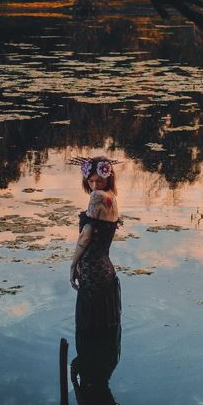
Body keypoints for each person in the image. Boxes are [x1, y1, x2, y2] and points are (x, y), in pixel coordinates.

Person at [69, 156, 121, 387]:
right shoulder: (113, 198)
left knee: (89, 323)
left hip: (93, 268)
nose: (94, 185)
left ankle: (91, 366)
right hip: (105, 267)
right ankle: (99, 367)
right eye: (91, 181)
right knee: (103, 322)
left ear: (107, 176)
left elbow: (86, 235)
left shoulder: (97, 197)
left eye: (99, 180)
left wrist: (73, 264)